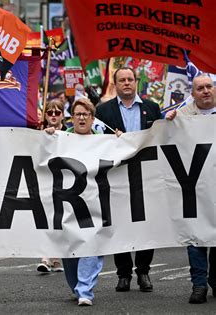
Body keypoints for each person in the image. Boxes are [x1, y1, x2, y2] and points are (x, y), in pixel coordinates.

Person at [95, 67, 161, 293]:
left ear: (136, 82)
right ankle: (123, 274)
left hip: (146, 174)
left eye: (130, 79)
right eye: (122, 80)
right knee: (120, 223)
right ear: (116, 84)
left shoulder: (152, 108)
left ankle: (143, 271)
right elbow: (95, 142)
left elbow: (163, 138)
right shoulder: (103, 111)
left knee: (145, 224)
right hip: (117, 176)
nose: (126, 83)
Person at [165, 74, 215, 303]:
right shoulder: (181, 116)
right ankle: (199, 285)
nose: (205, 91)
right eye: (200, 88)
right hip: (194, 189)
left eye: (209, 87)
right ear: (192, 94)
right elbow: (164, 138)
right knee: (195, 238)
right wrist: (169, 122)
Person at [61, 98, 105, 306]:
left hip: (95, 203)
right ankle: (76, 286)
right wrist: (48, 136)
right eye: (77, 114)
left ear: (92, 118)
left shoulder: (103, 141)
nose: (81, 118)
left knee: (91, 245)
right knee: (69, 249)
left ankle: (85, 290)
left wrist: (120, 141)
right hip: (68, 203)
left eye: (85, 114)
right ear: (72, 118)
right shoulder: (61, 139)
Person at [39, 98, 66, 273]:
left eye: (57, 112)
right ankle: (44, 257)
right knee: (46, 217)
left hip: (66, 180)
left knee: (60, 218)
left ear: (63, 115)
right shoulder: (39, 133)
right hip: (46, 180)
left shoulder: (70, 132)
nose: (54, 115)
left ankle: (56, 258)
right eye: (50, 112)